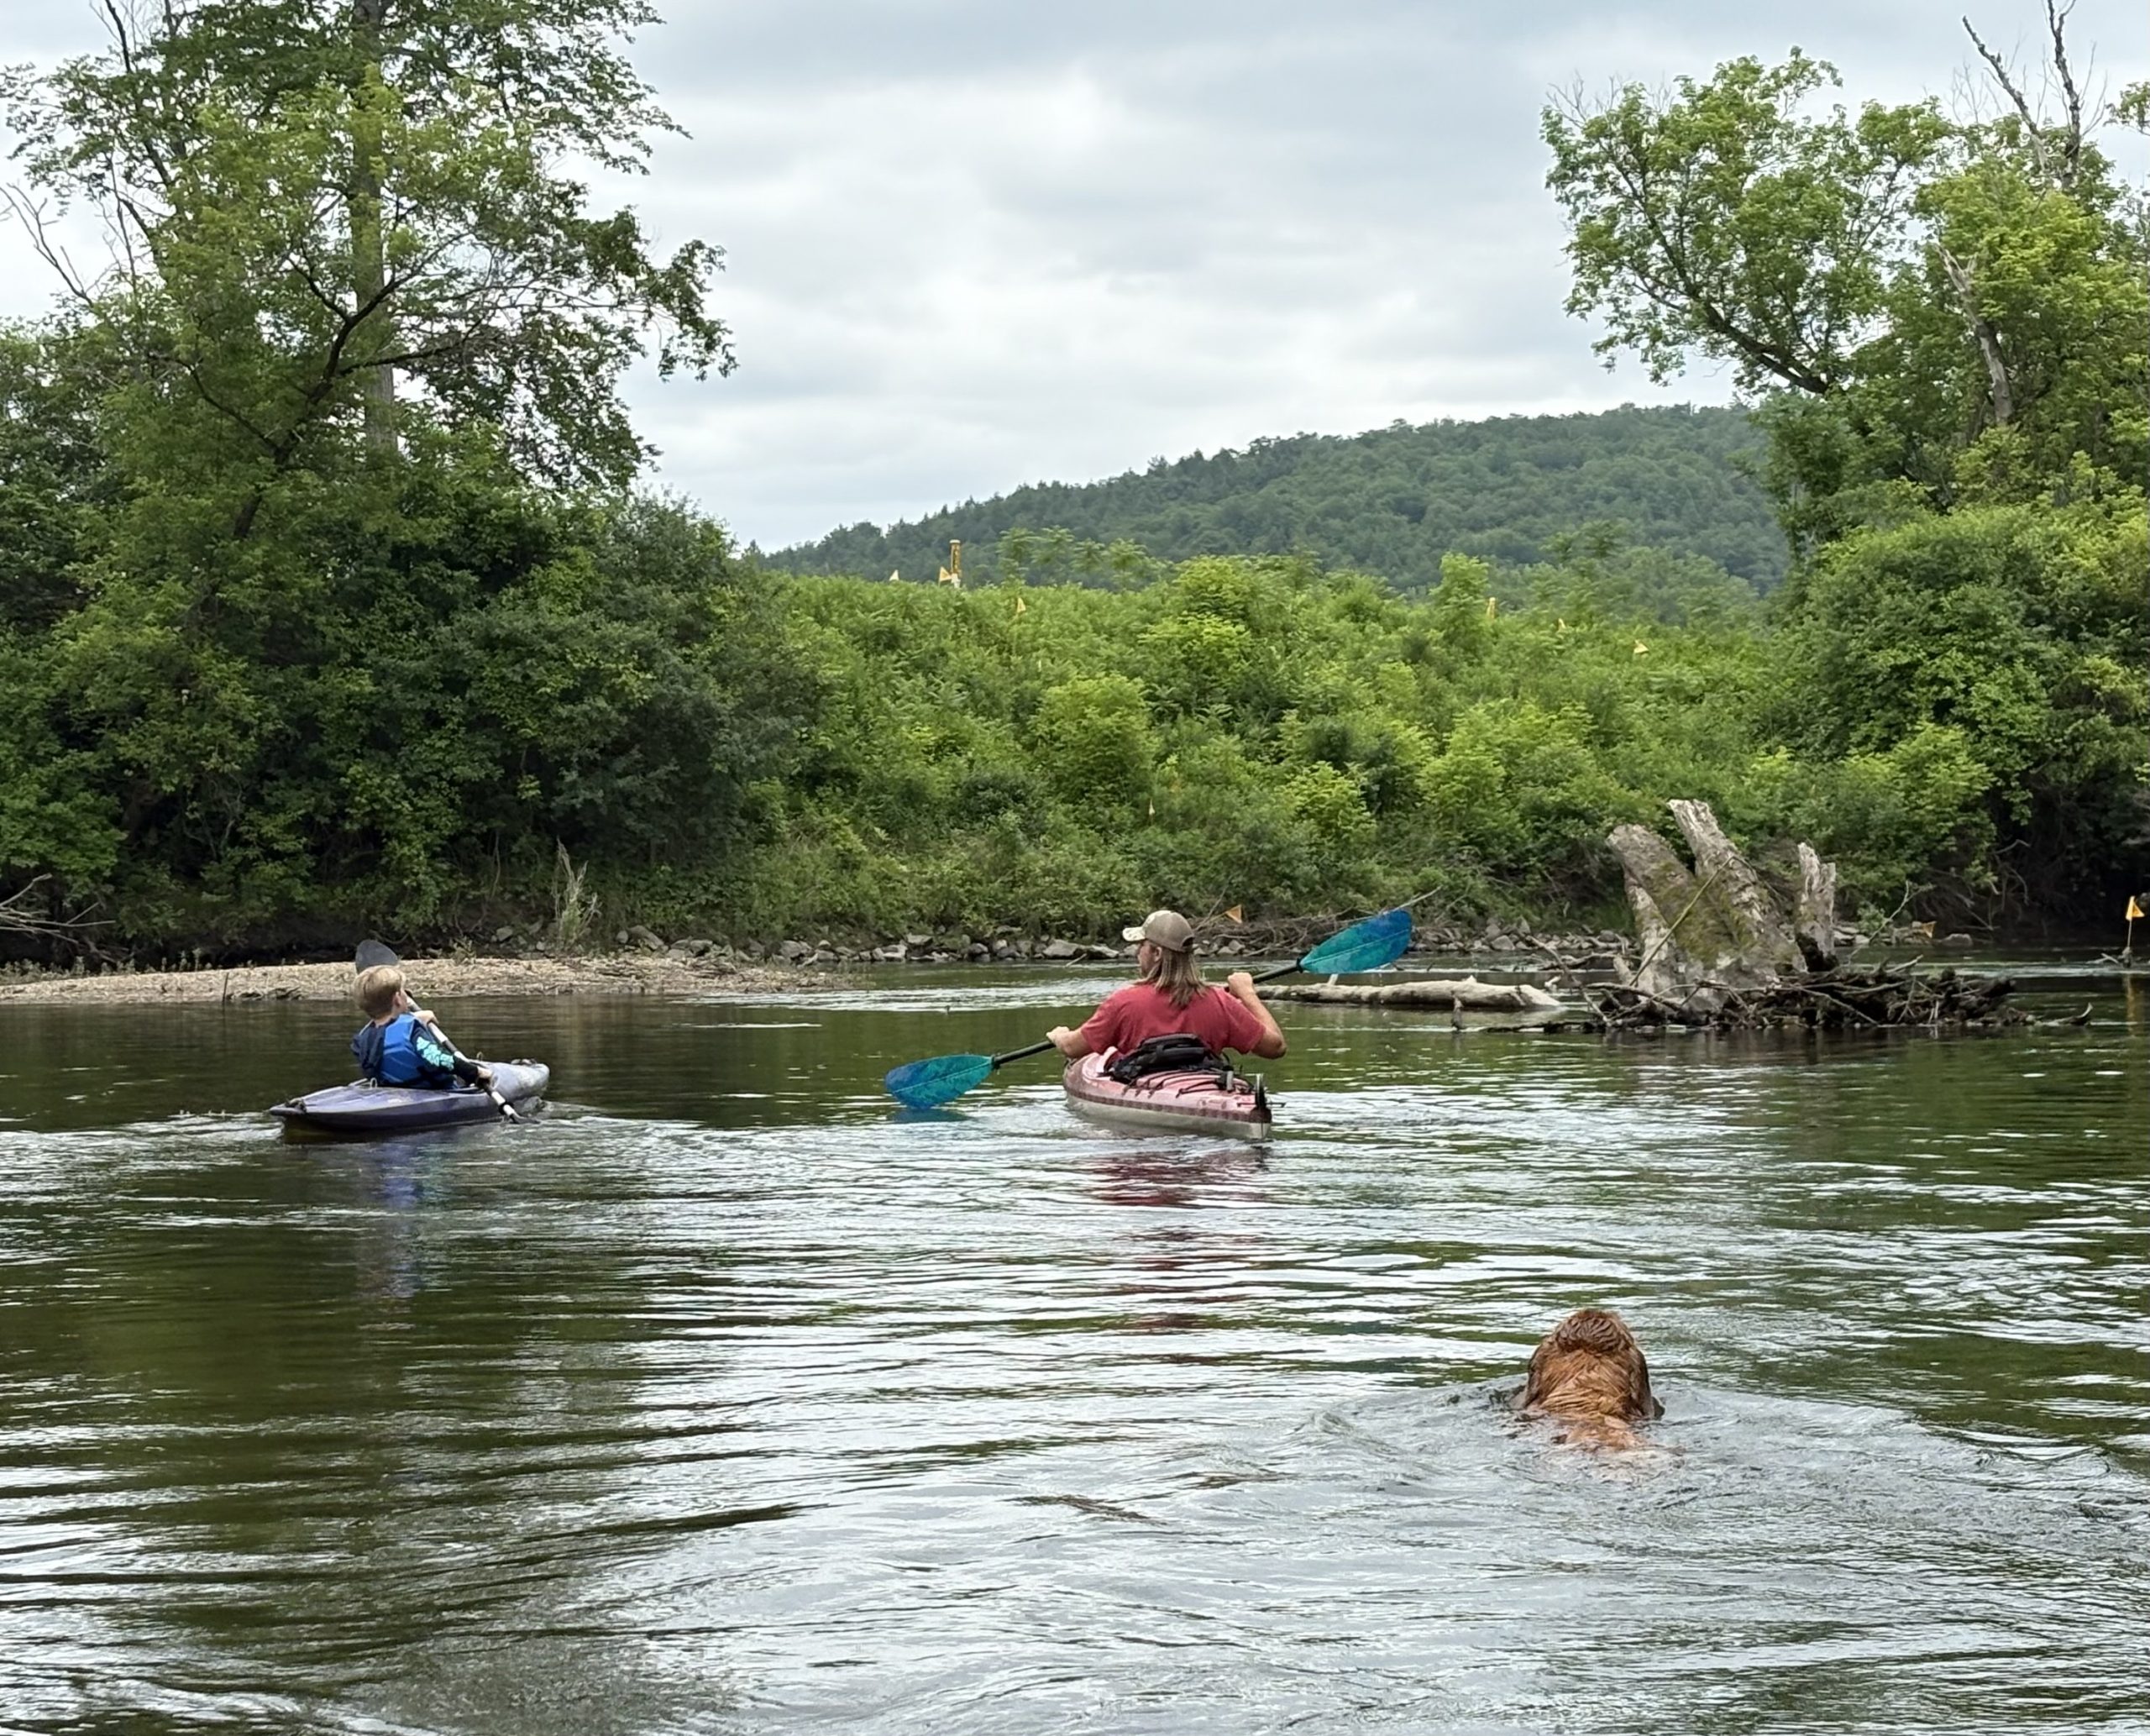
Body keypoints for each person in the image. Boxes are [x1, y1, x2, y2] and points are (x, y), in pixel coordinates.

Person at [1047, 909, 1286, 1062]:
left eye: (1142, 945)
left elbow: (1072, 1048)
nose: (1137, 952)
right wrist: (1247, 994)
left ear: (1157, 953)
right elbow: (1275, 1047)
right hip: (1202, 1093)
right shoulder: (1220, 1001)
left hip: (1150, 1105)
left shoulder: (1123, 1002)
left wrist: (1060, 1035)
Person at [352, 964, 495, 1089]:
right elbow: (438, 1058)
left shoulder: (362, 1039)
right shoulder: (411, 1031)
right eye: (403, 991)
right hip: (432, 1091)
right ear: (397, 999)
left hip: (391, 1092)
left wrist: (414, 1017)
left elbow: (386, 1032)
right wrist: (475, 1072)